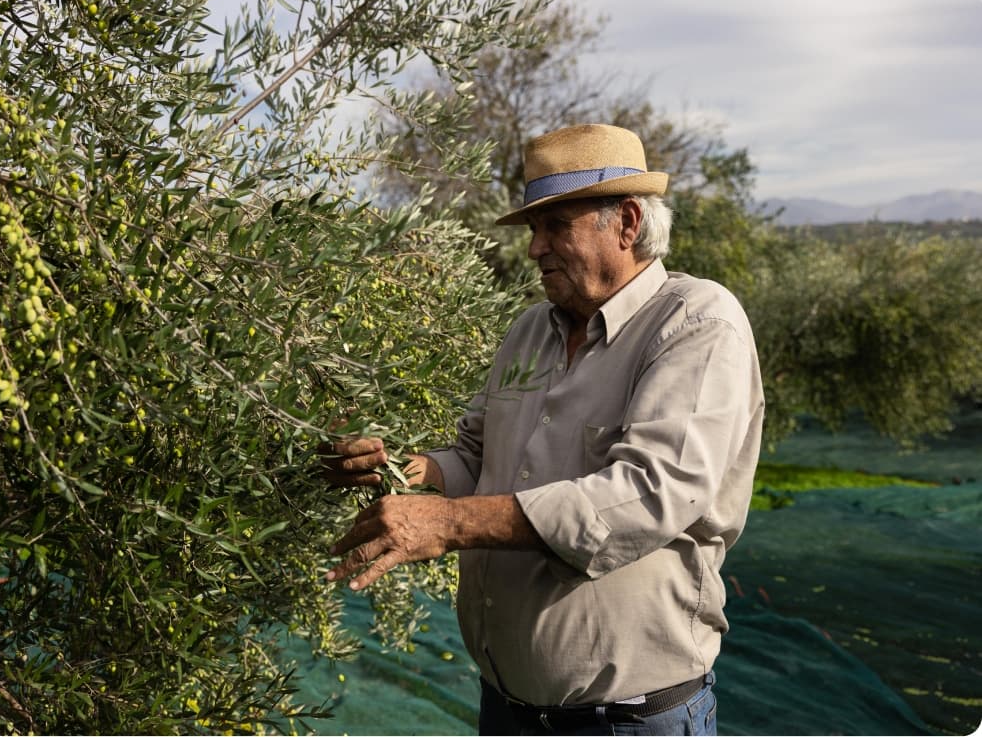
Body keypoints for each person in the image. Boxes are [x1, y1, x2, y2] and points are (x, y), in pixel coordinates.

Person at [323, 123, 765, 736]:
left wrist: (447, 524)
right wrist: (397, 470)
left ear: (628, 222)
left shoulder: (695, 323)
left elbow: (651, 491)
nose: (534, 249)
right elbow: (477, 459)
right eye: (535, 229)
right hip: (506, 710)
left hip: (627, 722)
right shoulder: (533, 330)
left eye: (556, 226)